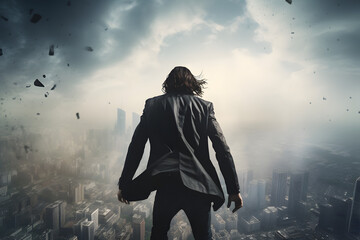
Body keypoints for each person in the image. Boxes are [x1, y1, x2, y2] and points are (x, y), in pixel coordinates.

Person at [117, 66, 243, 240]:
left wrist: (124, 184)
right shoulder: (205, 107)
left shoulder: (152, 105)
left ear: (167, 84)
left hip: (166, 184)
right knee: (203, 236)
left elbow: (136, 146)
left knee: (159, 233)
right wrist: (233, 189)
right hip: (198, 185)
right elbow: (222, 148)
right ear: (192, 83)